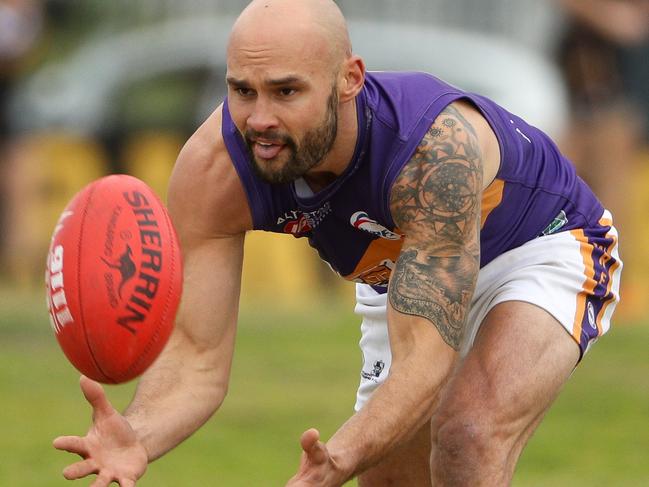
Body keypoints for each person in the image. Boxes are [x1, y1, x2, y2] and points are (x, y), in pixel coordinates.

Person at [52, 0, 622, 485]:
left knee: (466, 434)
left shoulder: (431, 155)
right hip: (400, 272)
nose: (260, 119)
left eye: (286, 91)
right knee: (388, 475)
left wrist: (339, 458)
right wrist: (139, 437)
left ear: (349, 79)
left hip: (539, 245)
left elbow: (426, 360)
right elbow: (196, 358)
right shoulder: (214, 170)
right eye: (242, 91)